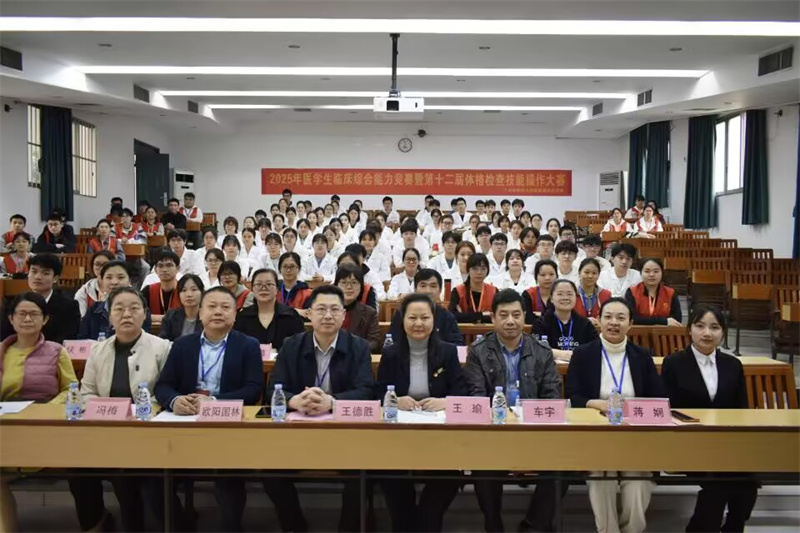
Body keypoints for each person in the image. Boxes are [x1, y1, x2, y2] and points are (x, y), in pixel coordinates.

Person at [265, 285, 374, 533]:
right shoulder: (291, 345)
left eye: (334, 310)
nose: (327, 315)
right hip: (298, 433)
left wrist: (331, 402)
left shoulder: (359, 347)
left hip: (345, 433)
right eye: (321, 309)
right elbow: (273, 391)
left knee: (362, 472)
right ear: (310, 314)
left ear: (343, 315)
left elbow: (367, 391)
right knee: (270, 472)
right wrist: (294, 400)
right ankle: (295, 527)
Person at [155, 287, 263, 532]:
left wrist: (214, 402)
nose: (218, 312)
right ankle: (180, 526)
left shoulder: (248, 345)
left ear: (234, 314)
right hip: (184, 426)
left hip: (227, 428)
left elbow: (253, 390)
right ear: (200, 312)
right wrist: (175, 400)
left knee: (228, 479)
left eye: (225, 307)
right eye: (211, 306)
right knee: (155, 479)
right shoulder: (182, 345)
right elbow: (163, 386)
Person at [72, 286, 174, 532]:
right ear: (109, 316)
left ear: (145, 314)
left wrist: (138, 413)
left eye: (134, 308)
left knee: (124, 470)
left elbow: (167, 391)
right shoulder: (98, 350)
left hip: (148, 433)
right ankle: (96, 523)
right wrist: (105, 411)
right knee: (75, 466)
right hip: (106, 430)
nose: (126, 314)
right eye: (119, 309)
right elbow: (87, 393)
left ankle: (136, 524)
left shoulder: (162, 348)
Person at [463, 289, 563, 533]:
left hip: (534, 433)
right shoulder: (478, 351)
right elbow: (477, 397)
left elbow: (552, 397)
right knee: (483, 465)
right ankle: (493, 525)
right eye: (504, 315)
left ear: (524, 316)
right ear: (492, 317)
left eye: (516, 315)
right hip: (492, 434)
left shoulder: (541, 351)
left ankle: (533, 525)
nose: (510, 321)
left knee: (563, 465)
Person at [565, 298, 664, 533]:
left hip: (635, 435)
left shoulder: (642, 356)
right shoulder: (583, 354)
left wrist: (631, 409)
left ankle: (632, 530)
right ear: (598, 321)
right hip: (596, 434)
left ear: (630, 323)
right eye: (608, 317)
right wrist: (596, 404)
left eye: (621, 318)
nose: (614, 323)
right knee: (601, 476)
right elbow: (572, 396)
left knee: (639, 479)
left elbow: (658, 398)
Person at [661, 305, 757, 533]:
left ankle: (731, 526)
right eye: (700, 326)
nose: (707, 333)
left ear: (723, 332)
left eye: (714, 327)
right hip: (688, 443)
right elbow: (667, 409)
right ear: (689, 329)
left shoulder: (733, 365)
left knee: (749, 480)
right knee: (720, 480)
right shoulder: (674, 363)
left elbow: (741, 409)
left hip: (727, 443)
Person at [376, 293, 466, 532]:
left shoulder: (448, 352)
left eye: (424, 318)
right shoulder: (391, 353)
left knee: (448, 476)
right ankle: (404, 523)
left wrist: (444, 402)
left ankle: (427, 521)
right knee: (389, 474)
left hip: (440, 434)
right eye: (412, 318)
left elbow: (461, 391)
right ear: (402, 320)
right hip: (399, 435)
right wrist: (394, 400)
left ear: (433, 320)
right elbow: (378, 392)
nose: (418, 323)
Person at [0, 292, 78, 532]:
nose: (27, 319)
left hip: (42, 427)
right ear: (11, 319)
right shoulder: (2, 351)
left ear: (45, 319)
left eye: (34, 314)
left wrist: (47, 409)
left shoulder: (56, 351)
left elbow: (71, 389)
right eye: (21, 314)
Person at [0, 254, 80, 344]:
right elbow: (4, 338)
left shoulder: (69, 306)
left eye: (45, 273)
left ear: (55, 278)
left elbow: (67, 340)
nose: (38, 277)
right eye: (34, 272)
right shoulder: (11, 303)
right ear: (28, 274)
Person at [233, 268, 305, 350]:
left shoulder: (291, 316)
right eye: (258, 284)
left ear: (277, 288)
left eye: (269, 284)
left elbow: (301, 347)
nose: (264, 288)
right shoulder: (242, 317)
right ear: (252, 288)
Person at [79, 261, 152, 340]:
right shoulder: (94, 310)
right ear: (102, 281)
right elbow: (82, 339)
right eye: (109, 277)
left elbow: (142, 340)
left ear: (129, 280)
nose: (114, 282)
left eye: (120, 277)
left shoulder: (138, 309)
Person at [388, 269, 464, 345]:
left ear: (440, 290)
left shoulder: (447, 317)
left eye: (433, 286)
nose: (428, 291)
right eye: (423, 286)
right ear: (415, 289)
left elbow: (458, 345)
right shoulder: (401, 313)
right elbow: (392, 342)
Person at [534, 280, 599, 362]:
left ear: (576, 297)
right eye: (560, 294)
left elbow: (596, 347)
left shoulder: (585, 324)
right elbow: (536, 349)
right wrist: (563, 355)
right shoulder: (541, 323)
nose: (565, 298)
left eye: (569, 294)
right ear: (551, 298)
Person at [334, 264, 381, 353]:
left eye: (354, 283)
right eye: (344, 282)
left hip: (357, 357)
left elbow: (374, 342)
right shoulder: (327, 310)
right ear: (336, 286)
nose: (349, 287)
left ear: (361, 287)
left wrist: (353, 351)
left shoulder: (369, 313)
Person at [624, 257, 682, 327]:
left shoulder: (670, 293)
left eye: (656, 271)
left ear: (662, 273)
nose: (651, 275)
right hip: (637, 332)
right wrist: (664, 321)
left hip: (664, 333)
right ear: (640, 273)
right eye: (647, 271)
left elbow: (677, 320)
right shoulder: (632, 292)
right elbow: (631, 318)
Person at [449, 253, 497, 324]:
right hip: (463, 330)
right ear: (468, 270)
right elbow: (453, 316)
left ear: (488, 270)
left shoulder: (493, 291)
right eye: (475, 269)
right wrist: (482, 315)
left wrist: (465, 316)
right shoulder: (458, 291)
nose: (479, 272)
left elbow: (498, 316)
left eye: (483, 269)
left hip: (489, 330)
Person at [159, 274, 205, 341]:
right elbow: (162, 340)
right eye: (184, 290)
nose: (189, 295)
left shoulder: (208, 317)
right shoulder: (171, 316)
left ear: (202, 292)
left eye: (194, 289)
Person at [142, 250, 182, 319]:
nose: (164, 270)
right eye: (160, 266)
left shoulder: (183, 289)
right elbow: (140, 315)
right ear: (155, 269)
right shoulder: (148, 290)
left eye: (169, 265)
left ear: (177, 268)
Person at [74, 250, 116, 317]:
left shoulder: (123, 288)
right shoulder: (85, 290)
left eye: (105, 264)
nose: (101, 268)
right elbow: (81, 317)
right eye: (97, 264)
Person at [575, 258, 613, 324]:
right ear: (579, 273)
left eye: (594, 273)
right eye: (586, 272)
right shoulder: (572, 294)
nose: (590, 276)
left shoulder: (606, 295)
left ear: (598, 275)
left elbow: (610, 318)